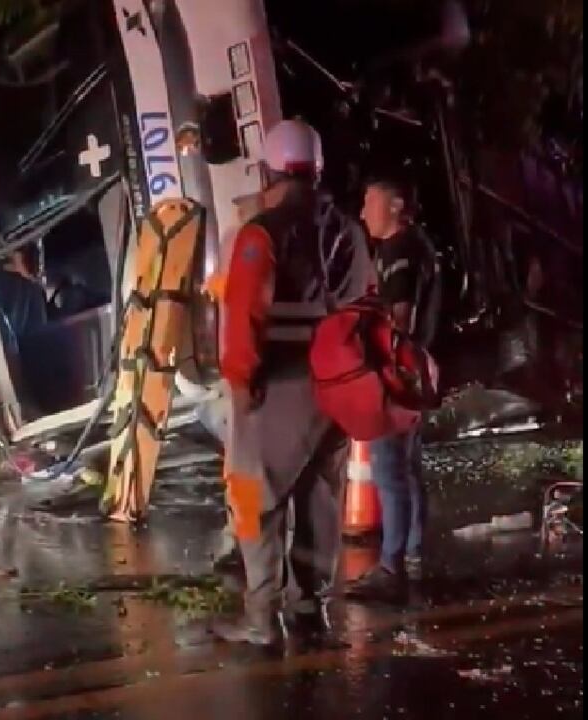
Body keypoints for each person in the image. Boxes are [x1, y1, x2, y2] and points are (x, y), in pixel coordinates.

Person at [210, 119, 372, 645]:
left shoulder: (262, 233)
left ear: (269, 171)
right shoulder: (348, 232)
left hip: (278, 382)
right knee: (320, 494)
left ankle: (260, 617)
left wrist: (239, 379)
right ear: (318, 170)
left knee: (254, 491)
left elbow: (244, 315)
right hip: (338, 386)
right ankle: (312, 608)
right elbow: (368, 308)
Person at [347, 179, 440, 602]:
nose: (364, 211)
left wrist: (375, 363)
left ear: (397, 205)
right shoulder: (414, 245)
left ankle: (391, 565)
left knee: (389, 471)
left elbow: (399, 317)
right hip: (416, 371)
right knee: (408, 469)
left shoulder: (401, 250)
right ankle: (415, 553)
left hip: (398, 373)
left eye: (371, 202)